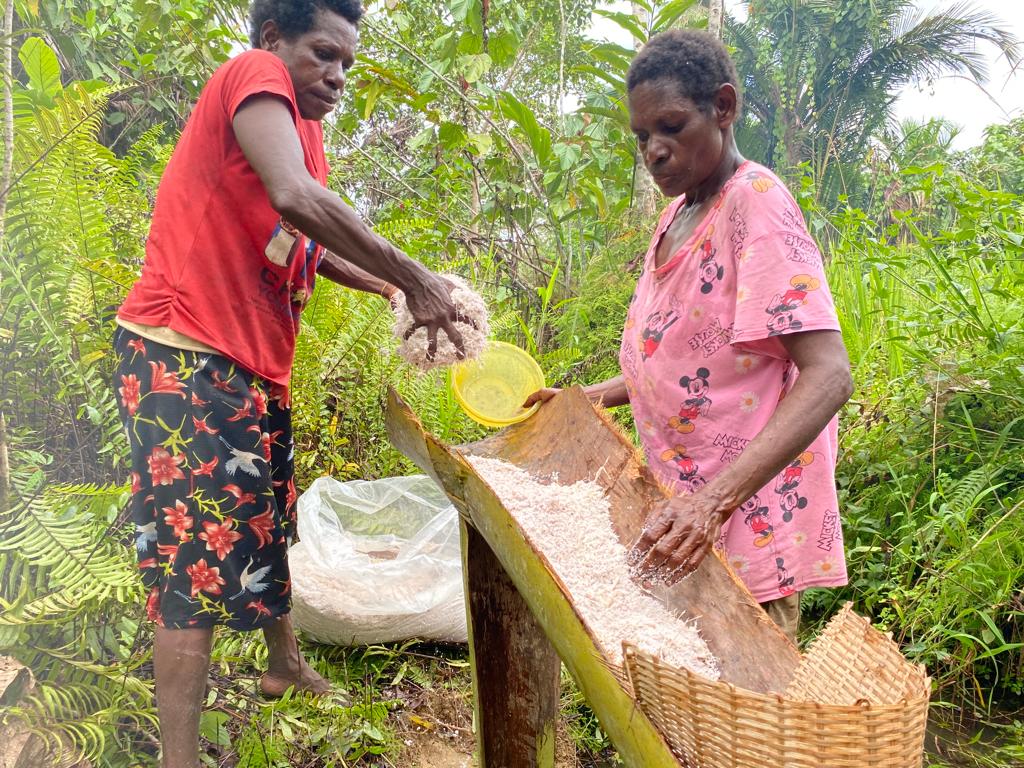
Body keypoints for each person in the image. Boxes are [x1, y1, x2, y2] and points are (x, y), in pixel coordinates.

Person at [111, 2, 469, 765]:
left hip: (251, 363)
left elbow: (299, 236)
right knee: (192, 563)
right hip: (184, 351)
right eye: (323, 53)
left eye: (347, 60)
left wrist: (387, 289)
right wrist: (416, 275)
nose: (338, 74)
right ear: (275, 38)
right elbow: (295, 200)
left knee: (273, 521)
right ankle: (178, 757)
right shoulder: (253, 74)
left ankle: (283, 665)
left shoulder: (305, 134)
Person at [526, 29, 853, 642]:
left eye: (671, 127)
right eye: (643, 136)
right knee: (686, 706)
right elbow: (677, 361)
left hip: (746, 515)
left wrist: (712, 504)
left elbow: (829, 374)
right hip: (686, 509)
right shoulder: (678, 215)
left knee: (746, 708)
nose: (654, 150)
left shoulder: (753, 205)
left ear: (723, 108)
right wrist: (587, 397)